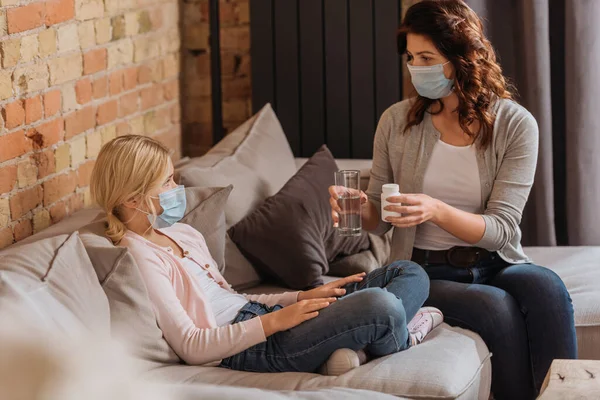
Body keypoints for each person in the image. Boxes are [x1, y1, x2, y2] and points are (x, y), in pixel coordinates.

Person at [329, 1, 576, 398]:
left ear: (463, 58)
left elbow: (500, 231)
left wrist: (436, 209)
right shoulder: (396, 121)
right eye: (411, 57)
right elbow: (379, 216)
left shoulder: (515, 125)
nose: (415, 67)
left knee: (546, 289)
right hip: (424, 270)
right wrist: (355, 206)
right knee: (497, 309)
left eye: (427, 57)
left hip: (496, 262)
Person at [89, 135, 443, 376]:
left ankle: (360, 348)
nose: (177, 190)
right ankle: (401, 337)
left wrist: (301, 298)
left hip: (264, 315)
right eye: (165, 183)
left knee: (407, 272)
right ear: (132, 199)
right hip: (250, 347)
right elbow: (192, 346)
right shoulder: (138, 257)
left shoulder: (182, 233)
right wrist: (278, 321)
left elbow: (234, 298)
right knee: (380, 305)